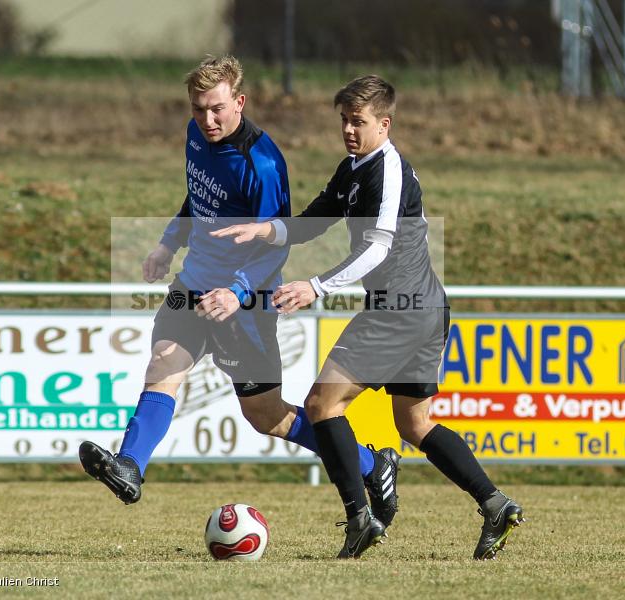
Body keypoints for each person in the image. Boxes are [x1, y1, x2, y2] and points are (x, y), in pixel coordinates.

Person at [79, 57, 400, 529]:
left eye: (216, 109)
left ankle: (373, 464)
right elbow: (198, 196)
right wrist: (169, 241)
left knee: (267, 417)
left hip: (244, 304)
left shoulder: (264, 163)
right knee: (163, 363)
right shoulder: (195, 136)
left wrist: (236, 292)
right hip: (193, 285)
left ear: (239, 103)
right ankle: (130, 466)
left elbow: (275, 241)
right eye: (197, 109)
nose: (207, 120)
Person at [213, 75, 525, 560]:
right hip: (422, 309)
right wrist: (267, 231)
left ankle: (360, 517)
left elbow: (377, 250)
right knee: (414, 424)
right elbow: (315, 220)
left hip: (399, 312)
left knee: (321, 404)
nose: (349, 130)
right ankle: (496, 503)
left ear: (385, 122)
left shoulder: (388, 171)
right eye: (343, 120)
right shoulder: (354, 168)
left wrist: (315, 286)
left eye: (358, 121)